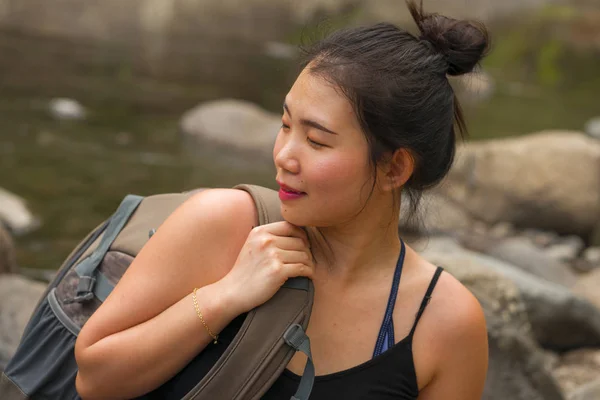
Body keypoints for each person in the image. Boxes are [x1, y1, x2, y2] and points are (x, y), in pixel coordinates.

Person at [74, 1, 490, 399]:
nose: (283, 155)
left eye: (315, 140)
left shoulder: (444, 321)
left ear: (395, 169)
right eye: (285, 124)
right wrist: (227, 295)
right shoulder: (226, 223)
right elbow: (94, 378)